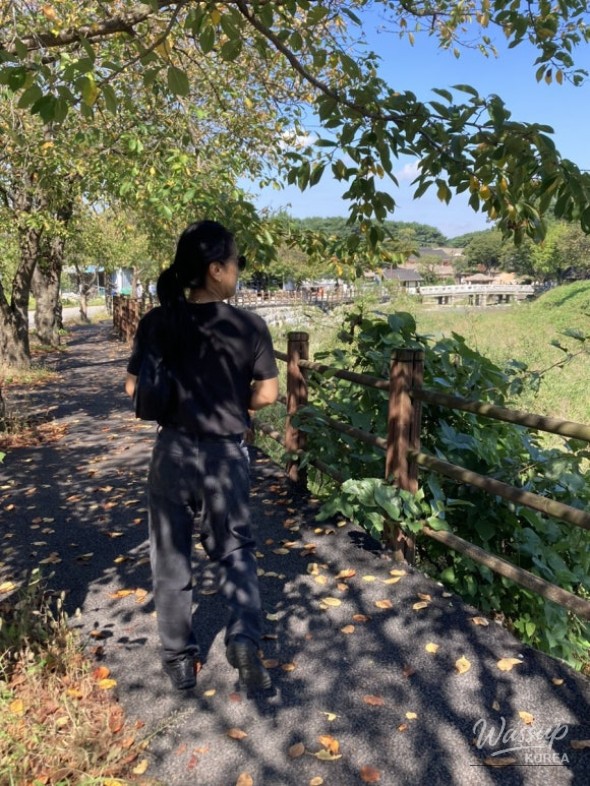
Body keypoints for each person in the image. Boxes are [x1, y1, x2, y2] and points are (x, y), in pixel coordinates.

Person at [125, 220, 279, 693]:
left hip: (170, 451)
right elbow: (269, 395)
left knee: (170, 555)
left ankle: (178, 659)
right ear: (216, 269)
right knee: (235, 550)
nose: (238, 273)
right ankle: (245, 642)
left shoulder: (157, 322)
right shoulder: (249, 326)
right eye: (235, 265)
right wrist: (238, 404)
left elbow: (133, 388)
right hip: (225, 455)